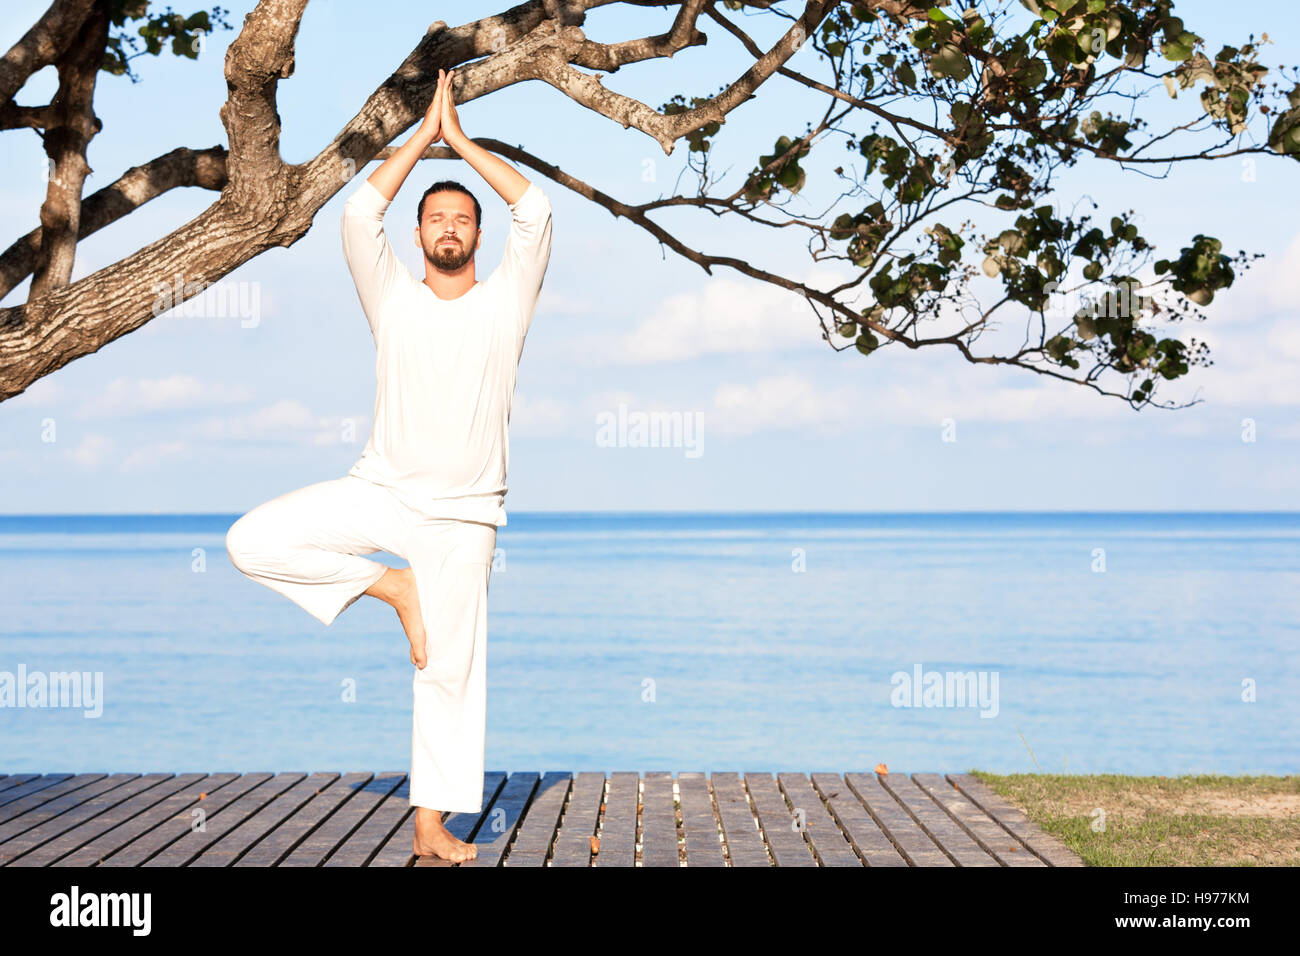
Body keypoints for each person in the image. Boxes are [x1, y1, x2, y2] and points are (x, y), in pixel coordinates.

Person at [224, 67, 552, 863]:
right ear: (418, 238)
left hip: (465, 515)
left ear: (478, 236)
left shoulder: (507, 301)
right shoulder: (393, 297)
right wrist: (422, 139)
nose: (447, 227)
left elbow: (536, 209)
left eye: (460, 219)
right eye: (434, 218)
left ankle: (431, 828)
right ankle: (390, 588)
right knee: (250, 541)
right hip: (380, 492)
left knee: (448, 674)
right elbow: (360, 209)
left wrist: (465, 144)